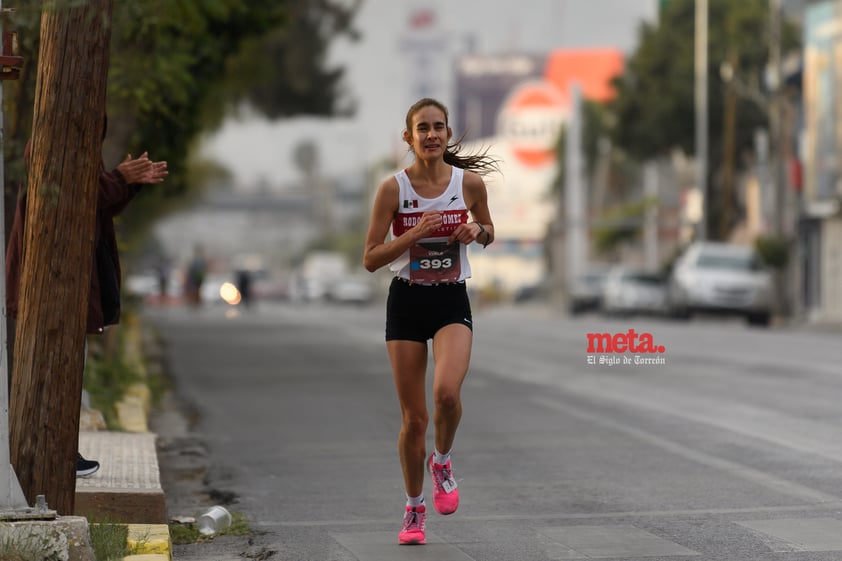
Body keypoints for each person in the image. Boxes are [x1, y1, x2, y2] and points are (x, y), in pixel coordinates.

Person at [362, 98, 498, 545]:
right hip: (406, 302)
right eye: (423, 128)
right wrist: (414, 233)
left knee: (446, 394)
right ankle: (414, 510)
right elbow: (369, 259)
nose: (432, 135)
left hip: (450, 299)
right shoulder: (392, 190)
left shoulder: (469, 183)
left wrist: (476, 232)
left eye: (439, 126)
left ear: (448, 132)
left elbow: (489, 230)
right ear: (409, 137)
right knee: (413, 420)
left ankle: (442, 460)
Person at [6, 127, 168, 477]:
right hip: (52, 283)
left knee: (64, 372)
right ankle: (52, 457)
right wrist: (118, 179)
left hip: (69, 282)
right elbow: (70, 199)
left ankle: (60, 453)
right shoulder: (54, 139)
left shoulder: (79, 146)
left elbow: (98, 206)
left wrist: (127, 182)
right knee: (51, 372)